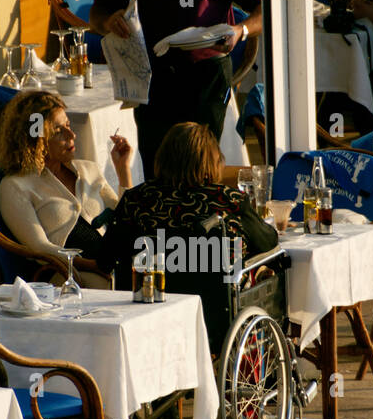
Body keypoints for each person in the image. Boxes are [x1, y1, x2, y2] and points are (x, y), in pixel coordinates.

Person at [88, 0, 263, 172]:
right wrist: (108, 22)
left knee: (200, 168)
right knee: (157, 166)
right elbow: (98, 12)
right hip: (151, 77)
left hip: (205, 77)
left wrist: (241, 31)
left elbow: (267, 6)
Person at [99, 122, 277, 349]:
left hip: (146, 318)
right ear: (211, 162)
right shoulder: (228, 201)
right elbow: (267, 242)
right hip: (213, 321)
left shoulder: (136, 200)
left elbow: (105, 259)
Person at [0, 90, 133, 288]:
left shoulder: (89, 169)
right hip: (67, 276)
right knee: (119, 286)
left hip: (109, 265)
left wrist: (123, 170)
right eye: (58, 131)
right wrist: (93, 265)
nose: (72, 135)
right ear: (35, 139)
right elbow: (39, 248)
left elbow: (128, 219)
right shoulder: (16, 186)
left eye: (68, 125)